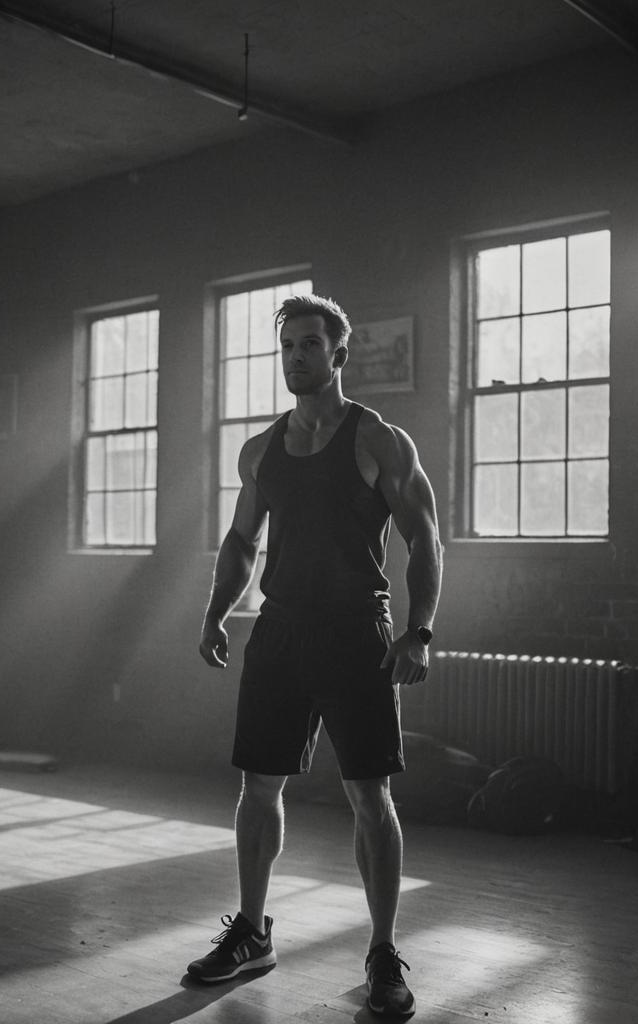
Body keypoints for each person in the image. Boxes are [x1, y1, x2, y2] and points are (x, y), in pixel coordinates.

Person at [189, 294, 442, 1020]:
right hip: (280, 630)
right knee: (257, 785)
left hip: (358, 630)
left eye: (309, 344)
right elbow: (241, 543)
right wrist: (214, 611)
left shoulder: (379, 440)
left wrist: (418, 629)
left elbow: (425, 538)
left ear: (338, 354)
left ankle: (384, 950)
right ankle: (252, 930)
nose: (296, 357)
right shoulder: (261, 449)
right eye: (288, 347)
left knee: (370, 795)